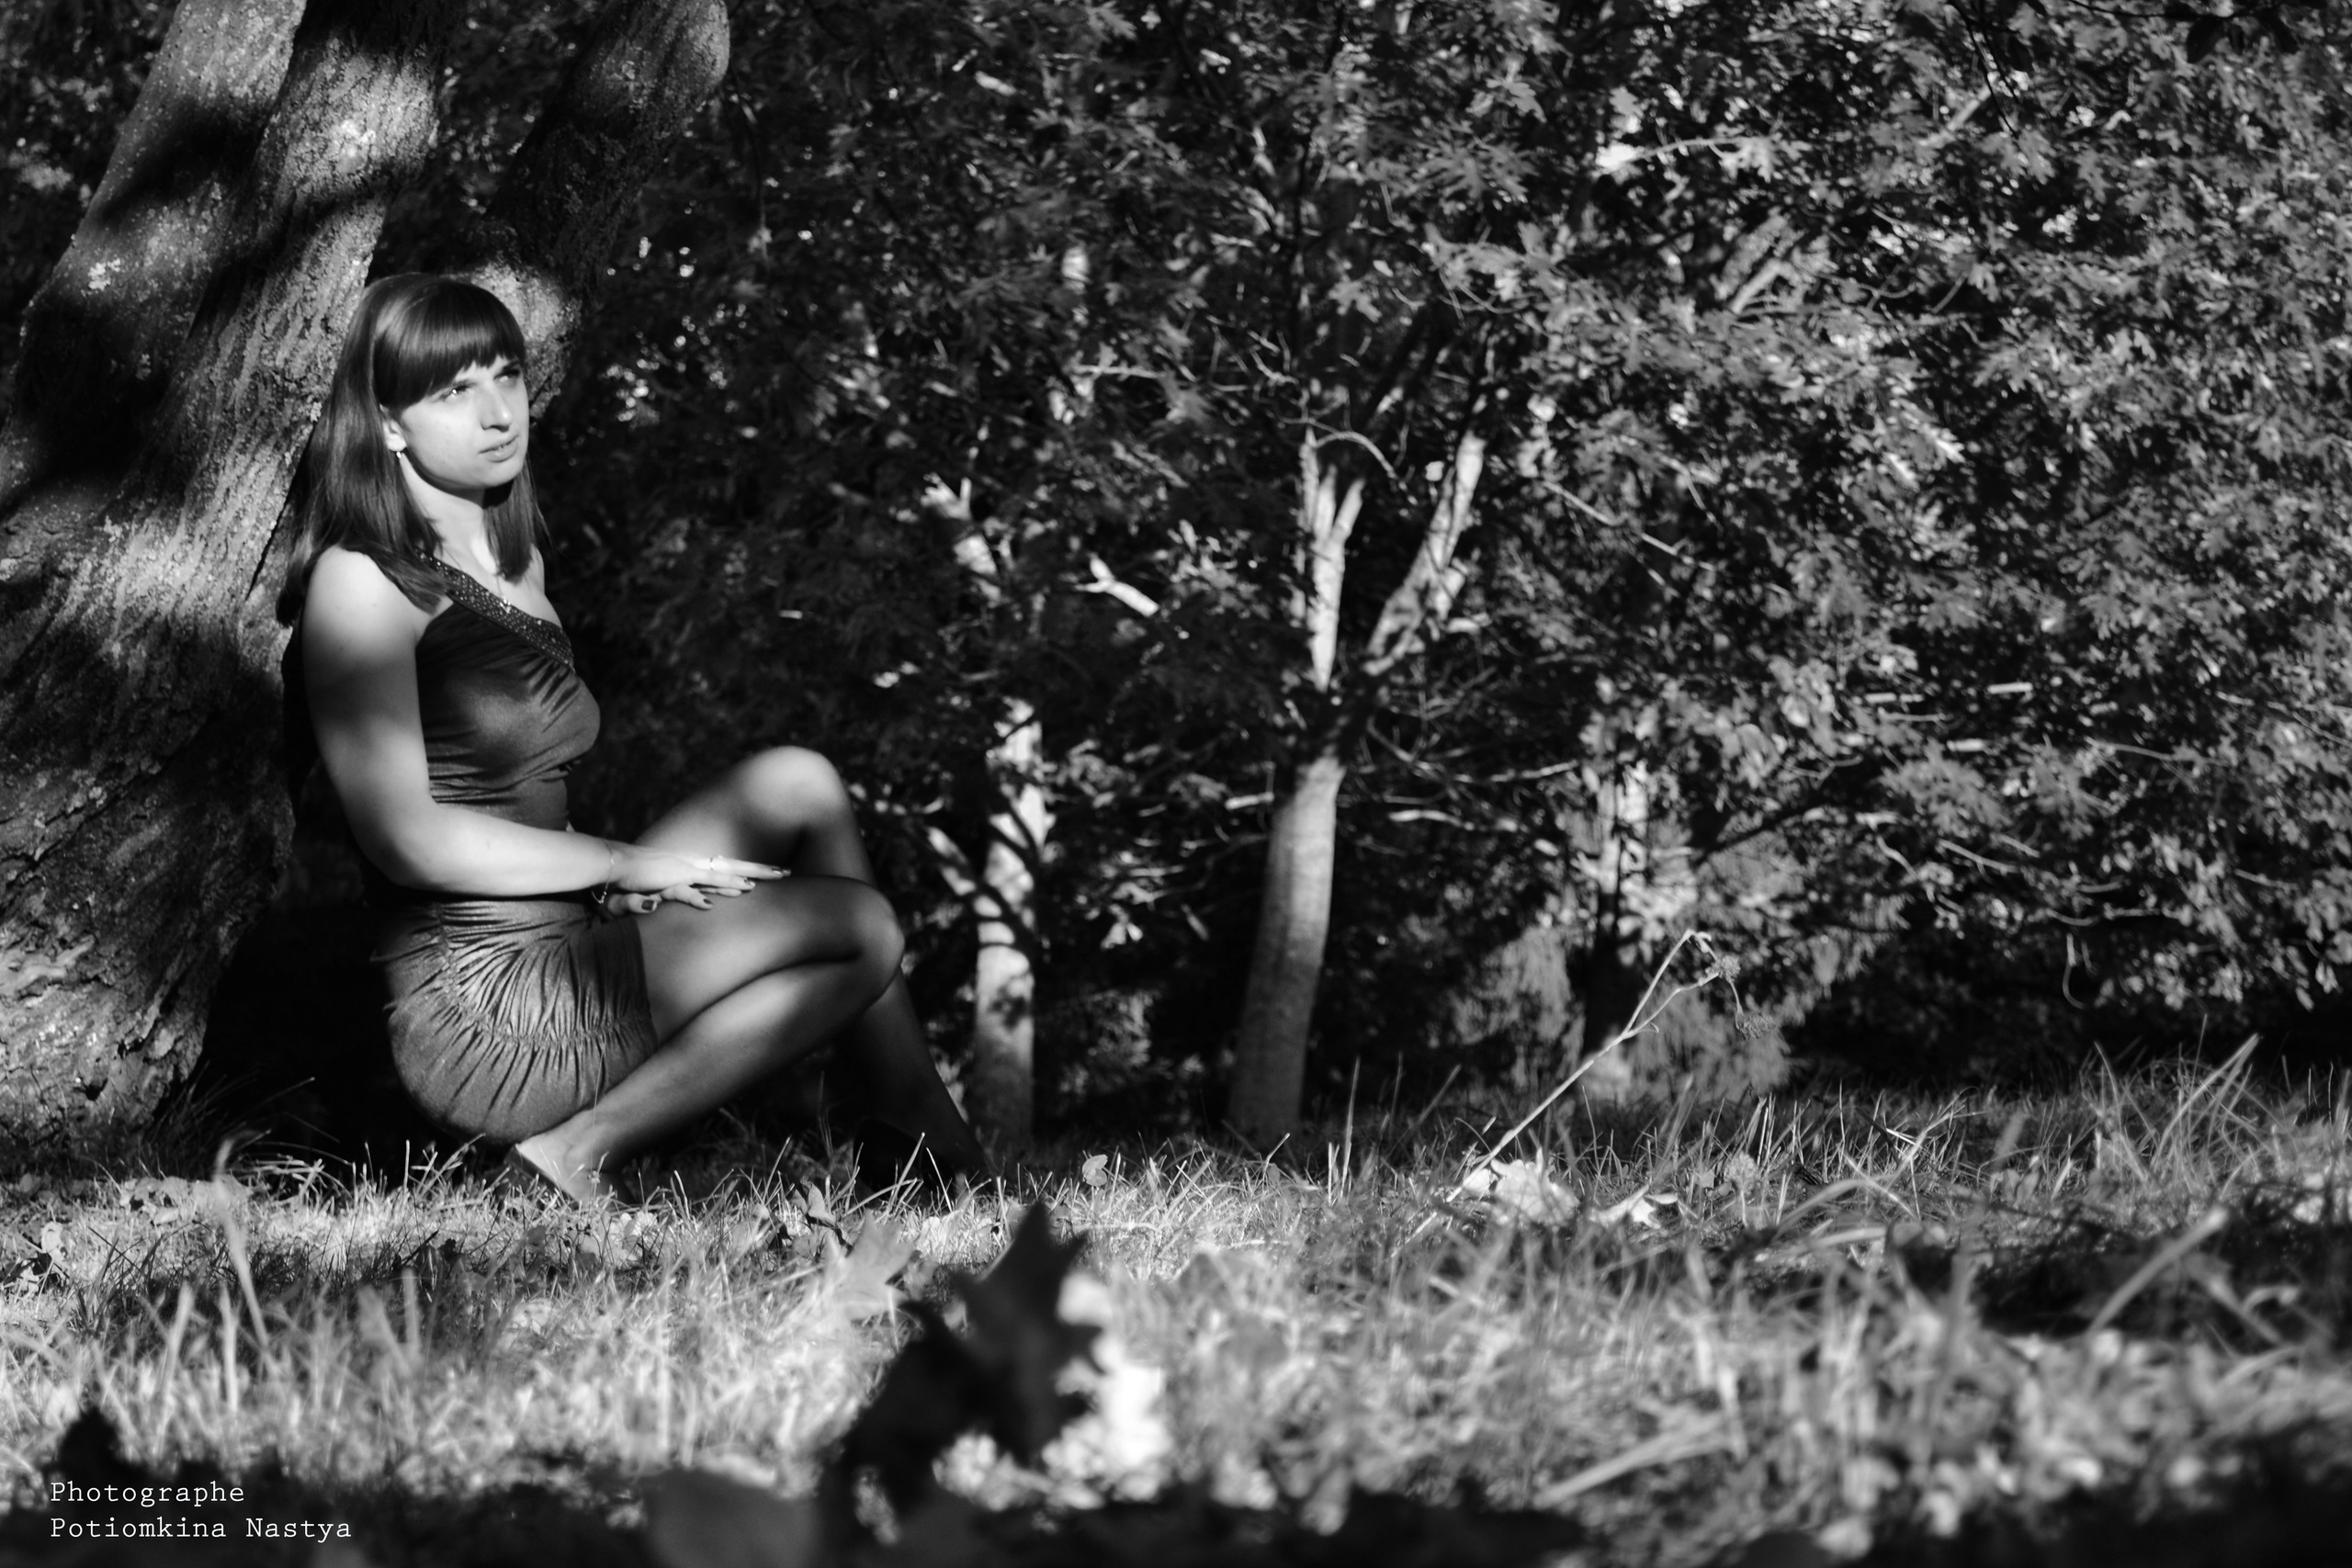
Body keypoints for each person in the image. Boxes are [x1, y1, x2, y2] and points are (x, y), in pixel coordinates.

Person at [277, 273, 987, 1205]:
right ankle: (574, 1154)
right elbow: (407, 840)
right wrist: (621, 863)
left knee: (797, 781)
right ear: (389, 423)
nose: (498, 413)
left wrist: (611, 879)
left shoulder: (515, 563)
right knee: (863, 928)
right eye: (454, 391)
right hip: (485, 1007)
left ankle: (917, 1131)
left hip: (566, 937)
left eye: (506, 375)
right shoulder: (362, 580)